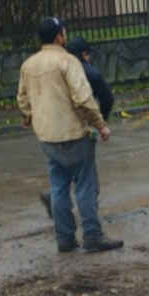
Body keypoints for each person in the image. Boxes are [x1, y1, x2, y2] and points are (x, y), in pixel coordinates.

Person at [18, 18, 122, 253]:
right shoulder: (68, 61)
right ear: (59, 36)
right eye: (63, 32)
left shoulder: (28, 65)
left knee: (58, 186)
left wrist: (29, 118)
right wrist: (100, 124)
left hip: (47, 137)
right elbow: (83, 97)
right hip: (74, 133)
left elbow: (23, 99)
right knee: (86, 185)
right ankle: (93, 236)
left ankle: (64, 239)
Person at [39, 36, 114, 218]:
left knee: (61, 176)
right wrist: (101, 123)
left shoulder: (54, 68)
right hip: (80, 130)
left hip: (52, 130)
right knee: (87, 179)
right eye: (88, 55)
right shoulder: (90, 73)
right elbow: (106, 98)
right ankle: (91, 226)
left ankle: (56, 204)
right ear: (84, 54)